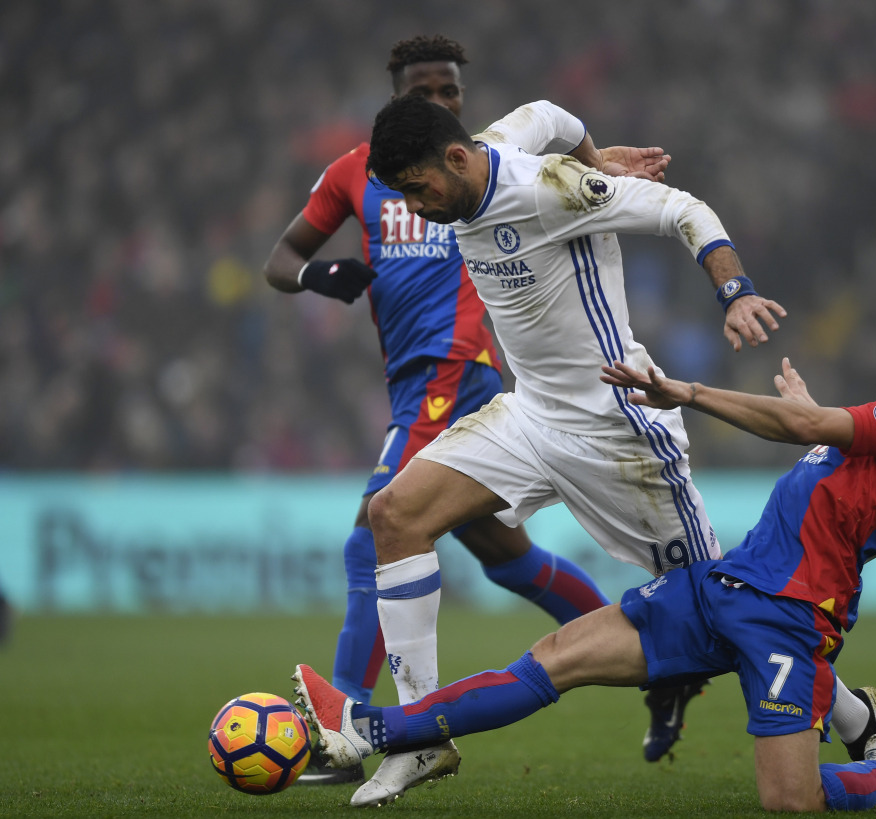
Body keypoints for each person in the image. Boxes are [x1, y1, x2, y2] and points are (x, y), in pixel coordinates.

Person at [293, 270, 876, 811]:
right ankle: (367, 728)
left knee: (790, 800)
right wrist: (812, 415)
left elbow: (812, 431)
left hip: (788, 616)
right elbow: (826, 437)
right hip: (722, 586)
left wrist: (691, 394)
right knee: (556, 656)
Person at [318, 90, 789, 807]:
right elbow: (553, 112)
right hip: (530, 416)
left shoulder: (546, 189)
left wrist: (735, 293)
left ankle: (856, 718)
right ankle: (421, 735)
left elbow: (682, 209)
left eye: (418, 190)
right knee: (395, 514)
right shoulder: (498, 142)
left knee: (722, 611)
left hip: (619, 430)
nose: (417, 207)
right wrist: (596, 154)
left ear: (452, 158)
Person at [262, 35, 663, 786]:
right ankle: (648, 655)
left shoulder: (479, 165)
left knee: (373, 530)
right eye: (426, 91)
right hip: (410, 380)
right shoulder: (357, 174)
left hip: (460, 371)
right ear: (394, 92)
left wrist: (597, 162)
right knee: (507, 558)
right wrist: (322, 272)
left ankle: (346, 727)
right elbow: (278, 260)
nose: (443, 104)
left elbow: (563, 167)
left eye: (451, 92)